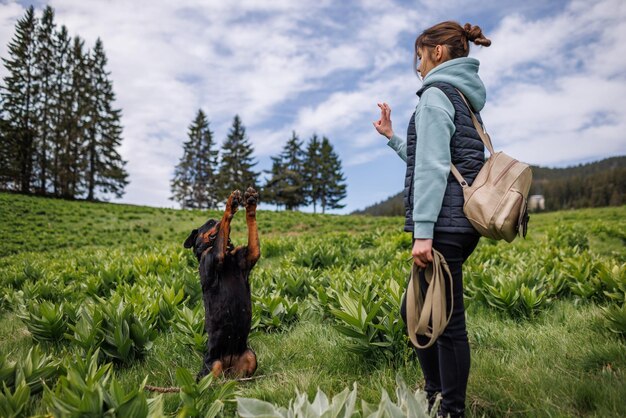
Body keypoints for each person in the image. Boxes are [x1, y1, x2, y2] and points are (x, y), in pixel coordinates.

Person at [373, 21, 492, 418]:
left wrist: (422, 233)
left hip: (443, 225)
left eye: (419, 57)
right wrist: (393, 137)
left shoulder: (436, 96)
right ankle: (436, 395)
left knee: (446, 322)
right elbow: (436, 160)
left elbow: (432, 169)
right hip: (460, 224)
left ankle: (449, 409)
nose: (418, 66)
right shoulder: (461, 96)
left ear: (436, 53)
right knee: (418, 310)